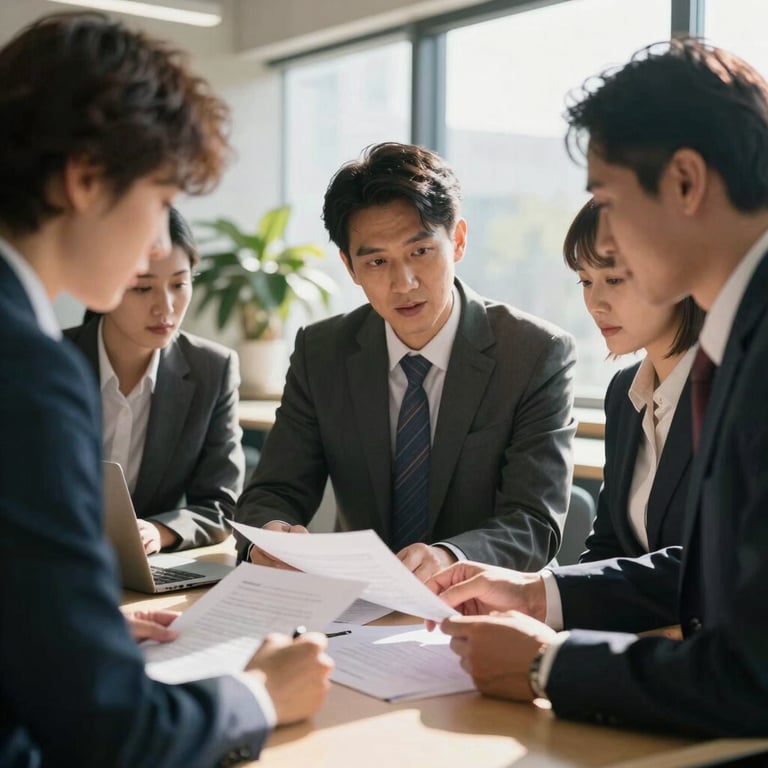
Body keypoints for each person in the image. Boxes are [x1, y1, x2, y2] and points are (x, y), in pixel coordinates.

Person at [0, 13, 331, 767]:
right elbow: (107, 729)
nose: (157, 245)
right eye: (158, 198)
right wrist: (261, 696)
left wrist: (68, 627)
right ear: (86, 180)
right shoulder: (30, 366)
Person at [427, 38, 768, 737]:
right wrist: (539, 592)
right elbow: (708, 574)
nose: (605, 235)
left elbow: (753, 674)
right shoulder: (738, 343)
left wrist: (547, 666)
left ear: (684, 181)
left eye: (606, 201)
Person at [235, 141, 576, 582]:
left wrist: (450, 556)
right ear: (350, 267)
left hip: (484, 604)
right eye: (377, 261)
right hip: (360, 608)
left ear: (457, 240)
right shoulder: (322, 352)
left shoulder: (534, 352)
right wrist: (271, 536)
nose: (404, 283)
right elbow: (275, 490)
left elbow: (533, 522)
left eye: (420, 252)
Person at [65, 207, 244, 553]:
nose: (165, 308)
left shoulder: (213, 370)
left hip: (143, 569)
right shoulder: (49, 357)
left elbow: (221, 506)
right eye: (143, 288)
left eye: (179, 284)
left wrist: (158, 531)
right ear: (105, 285)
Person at [563, 199, 704, 562]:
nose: (595, 303)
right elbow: (608, 548)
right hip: (637, 621)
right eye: (585, 281)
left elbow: (709, 570)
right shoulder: (624, 394)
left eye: (613, 279)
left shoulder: (735, 396)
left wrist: (543, 595)